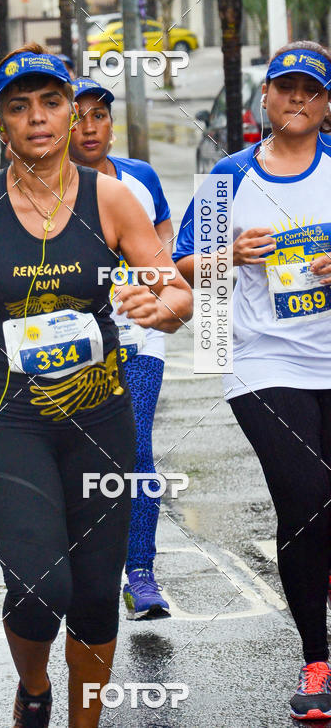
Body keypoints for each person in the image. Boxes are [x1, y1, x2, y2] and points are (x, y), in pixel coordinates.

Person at [0, 44, 192, 728]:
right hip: (8, 421)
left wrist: (157, 305)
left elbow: (176, 295)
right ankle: (34, 689)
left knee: (97, 596)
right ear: (1, 122)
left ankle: (82, 722)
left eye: (51, 103)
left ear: (74, 117)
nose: (37, 118)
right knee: (40, 587)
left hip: (100, 420)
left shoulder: (112, 199)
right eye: (19, 107)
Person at [173, 41, 331, 722]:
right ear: (264, 98)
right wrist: (227, 254)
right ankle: (317, 662)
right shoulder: (229, 178)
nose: (296, 99)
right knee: (307, 495)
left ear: (326, 104)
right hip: (263, 362)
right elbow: (180, 264)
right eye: (285, 88)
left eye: (311, 90)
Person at [69, 76, 173, 619]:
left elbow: (168, 259)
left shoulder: (141, 178)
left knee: (135, 450)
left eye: (100, 116)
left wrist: (153, 292)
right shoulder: (38, 186)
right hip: (69, 346)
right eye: (78, 116)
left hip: (137, 336)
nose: (89, 127)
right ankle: (86, 567)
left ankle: (141, 574)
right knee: (82, 456)